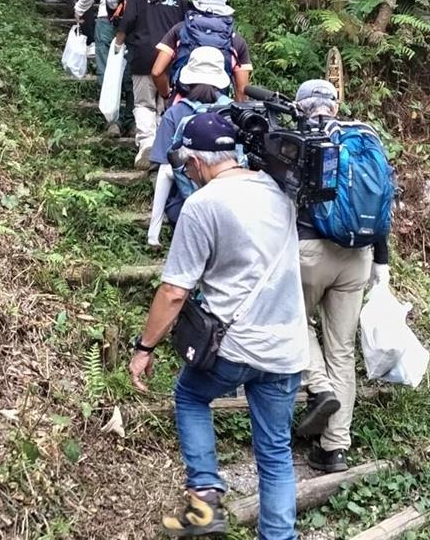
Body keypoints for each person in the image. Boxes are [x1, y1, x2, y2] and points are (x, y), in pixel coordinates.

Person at [129, 113, 308, 540]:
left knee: (190, 396)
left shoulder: (203, 205)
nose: (187, 171)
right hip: (286, 348)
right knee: (276, 453)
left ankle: (205, 501)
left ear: (195, 161)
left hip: (233, 347)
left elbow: (174, 291)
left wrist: (144, 347)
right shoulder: (281, 192)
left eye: (186, 164)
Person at [293, 79, 392, 473]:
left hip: (309, 251)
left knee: (292, 322)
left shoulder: (300, 138)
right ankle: (334, 448)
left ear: (302, 107)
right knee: (342, 350)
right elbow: (384, 200)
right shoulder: (365, 137)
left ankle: (319, 389)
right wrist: (381, 264)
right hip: (358, 257)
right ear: (335, 106)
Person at [146, 47, 231, 247]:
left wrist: (154, 228)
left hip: (185, 208)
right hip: (231, 206)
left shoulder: (175, 114)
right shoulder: (234, 113)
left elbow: (162, 167)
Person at [73, 0, 149, 136]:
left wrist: (79, 9)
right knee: (133, 68)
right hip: (136, 20)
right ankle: (132, 120)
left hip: (108, 18)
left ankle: (112, 121)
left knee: (107, 68)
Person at [114, 0, 188, 168]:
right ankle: (163, 149)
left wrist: (118, 45)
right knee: (165, 104)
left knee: (144, 104)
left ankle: (146, 145)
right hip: (170, 60)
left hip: (142, 56)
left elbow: (127, 21)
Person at [151, 0, 253, 102]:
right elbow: (242, 90)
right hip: (218, 108)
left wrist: (166, 95)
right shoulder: (236, 40)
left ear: (197, 4)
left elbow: (157, 71)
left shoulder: (180, 30)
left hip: (181, 104)